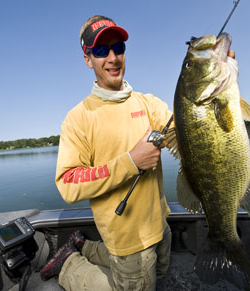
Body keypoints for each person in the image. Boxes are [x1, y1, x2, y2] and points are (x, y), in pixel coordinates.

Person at [39, 15, 173, 291]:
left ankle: (83, 245)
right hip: (127, 238)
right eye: (101, 51)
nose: (112, 58)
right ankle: (69, 265)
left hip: (161, 225)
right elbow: (68, 183)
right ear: (88, 59)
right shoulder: (79, 118)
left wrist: (220, 80)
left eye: (118, 48)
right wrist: (131, 162)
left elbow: (188, 135)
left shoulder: (149, 103)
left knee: (159, 272)